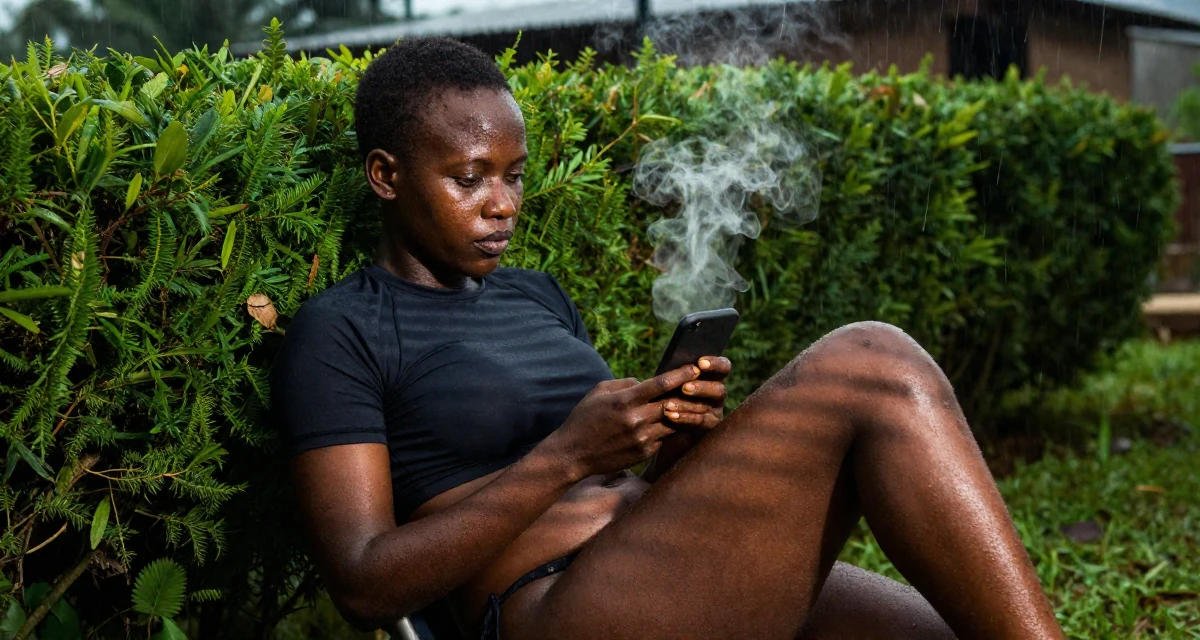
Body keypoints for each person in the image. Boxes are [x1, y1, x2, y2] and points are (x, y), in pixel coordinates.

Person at [271, 37, 1065, 640]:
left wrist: (673, 435)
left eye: (514, 174)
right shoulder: (341, 331)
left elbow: (629, 479)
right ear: (386, 175)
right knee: (872, 360)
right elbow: (365, 583)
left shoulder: (535, 294)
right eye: (470, 177)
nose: (503, 204)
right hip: (550, 603)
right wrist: (569, 455)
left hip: (665, 556)